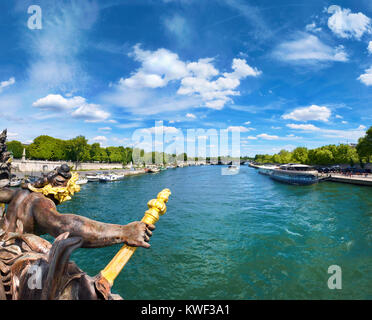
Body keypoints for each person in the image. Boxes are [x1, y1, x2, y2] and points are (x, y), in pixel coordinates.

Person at [0, 164, 154, 248]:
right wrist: (124, 232)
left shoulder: (19, 193)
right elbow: (63, 225)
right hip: (13, 252)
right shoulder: (40, 202)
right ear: (59, 190)